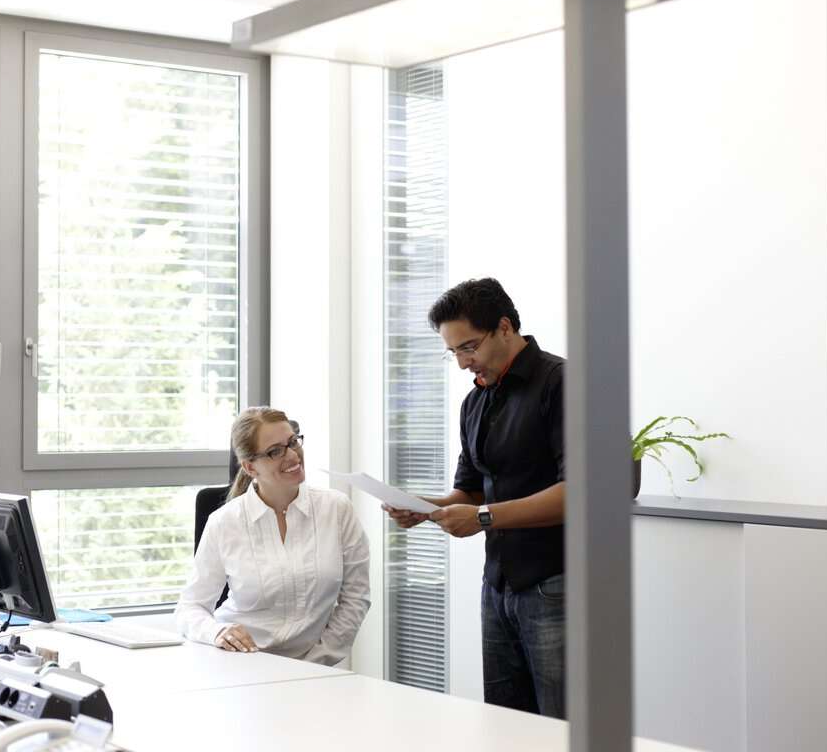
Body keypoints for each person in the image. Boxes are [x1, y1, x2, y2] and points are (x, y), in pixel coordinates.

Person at [386, 277, 566, 718]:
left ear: (505, 327)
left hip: (555, 584)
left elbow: (580, 494)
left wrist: (483, 518)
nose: (465, 363)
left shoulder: (562, 384)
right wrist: (427, 508)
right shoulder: (476, 401)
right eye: (454, 353)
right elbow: (468, 490)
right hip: (498, 585)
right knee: (505, 724)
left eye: (469, 347)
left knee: (563, 727)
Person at [175, 407, 371, 666]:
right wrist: (218, 632)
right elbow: (189, 608)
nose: (292, 455)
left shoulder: (336, 509)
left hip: (314, 668)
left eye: (293, 442)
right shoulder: (224, 522)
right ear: (249, 467)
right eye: (275, 451)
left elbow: (356, 597)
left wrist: (317, 660)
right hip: (238, 664)